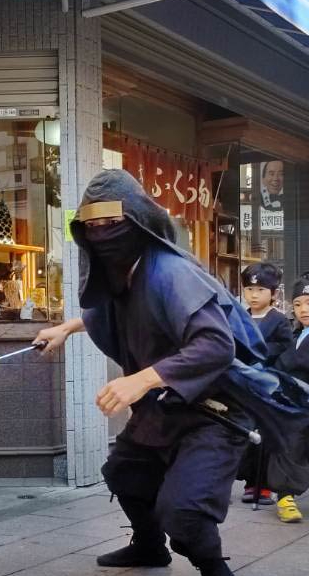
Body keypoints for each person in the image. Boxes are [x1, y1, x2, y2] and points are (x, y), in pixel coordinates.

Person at [33, 169, 268, 576]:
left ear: (138, 219)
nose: (102, 233)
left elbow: (215, 344)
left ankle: (215, 569)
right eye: (92, 225)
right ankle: (148, 546)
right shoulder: (125, 273)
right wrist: (67, 328)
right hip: (164, 408)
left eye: (112, 222)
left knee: (185, 511)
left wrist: (140, 380)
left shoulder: (170, 272)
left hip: (213, 412)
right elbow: (125, 313)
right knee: (125, 472)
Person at [235, 262, 293, 505]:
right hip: (243, 383)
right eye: (249, 289)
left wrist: (261, 355)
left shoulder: (279, 320)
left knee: (267, 434)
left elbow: (285, 347)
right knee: (245, 433)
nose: (254, 295)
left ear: (273, 293)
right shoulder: (239, 317)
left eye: (260, 290)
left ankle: (266, 485)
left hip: (268, 383)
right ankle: (250, 482)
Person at [265, 277, 309, 523]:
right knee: (288, 445)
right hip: (293, 405)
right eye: (298, 304)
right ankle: (284, 497)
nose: (304, 309)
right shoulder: (296, 335)